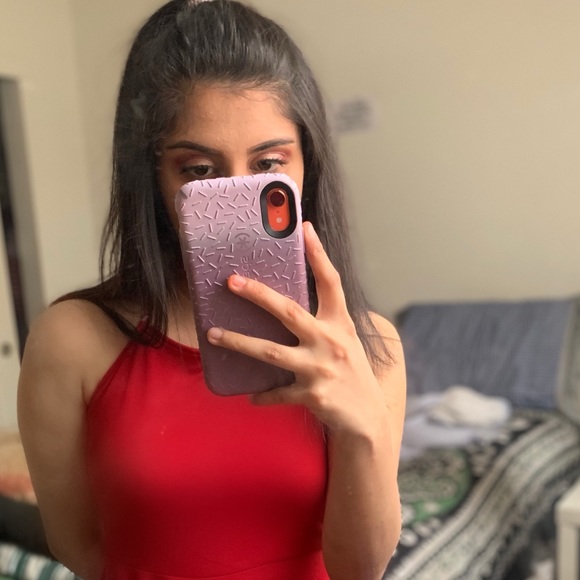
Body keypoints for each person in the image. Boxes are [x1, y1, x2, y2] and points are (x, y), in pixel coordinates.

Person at [17, 1, 406, 579]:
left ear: (308, 166)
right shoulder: (73, 341)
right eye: (199, 171)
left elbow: (360, 569)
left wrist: (363, 427)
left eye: (268, 163)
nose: (236, 200)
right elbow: (80, 547)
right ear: (152, 178)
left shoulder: (372, 347)